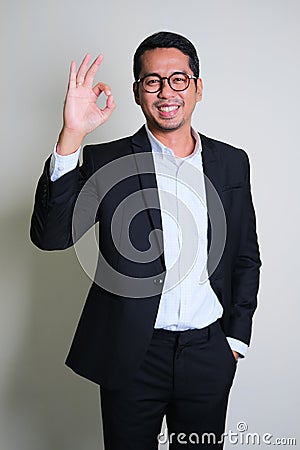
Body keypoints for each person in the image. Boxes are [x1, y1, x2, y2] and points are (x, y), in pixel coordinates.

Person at [30, 31, 261, 449]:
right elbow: (51, 236)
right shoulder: (107, 160)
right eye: (152, 81)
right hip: (132, 354)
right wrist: (71, 136)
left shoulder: (231, 162)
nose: (166, 91)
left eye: (178, 79)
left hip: (208, 351)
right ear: (138, 92)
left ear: (197, 88)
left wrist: (234, 342)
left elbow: (245, 256)